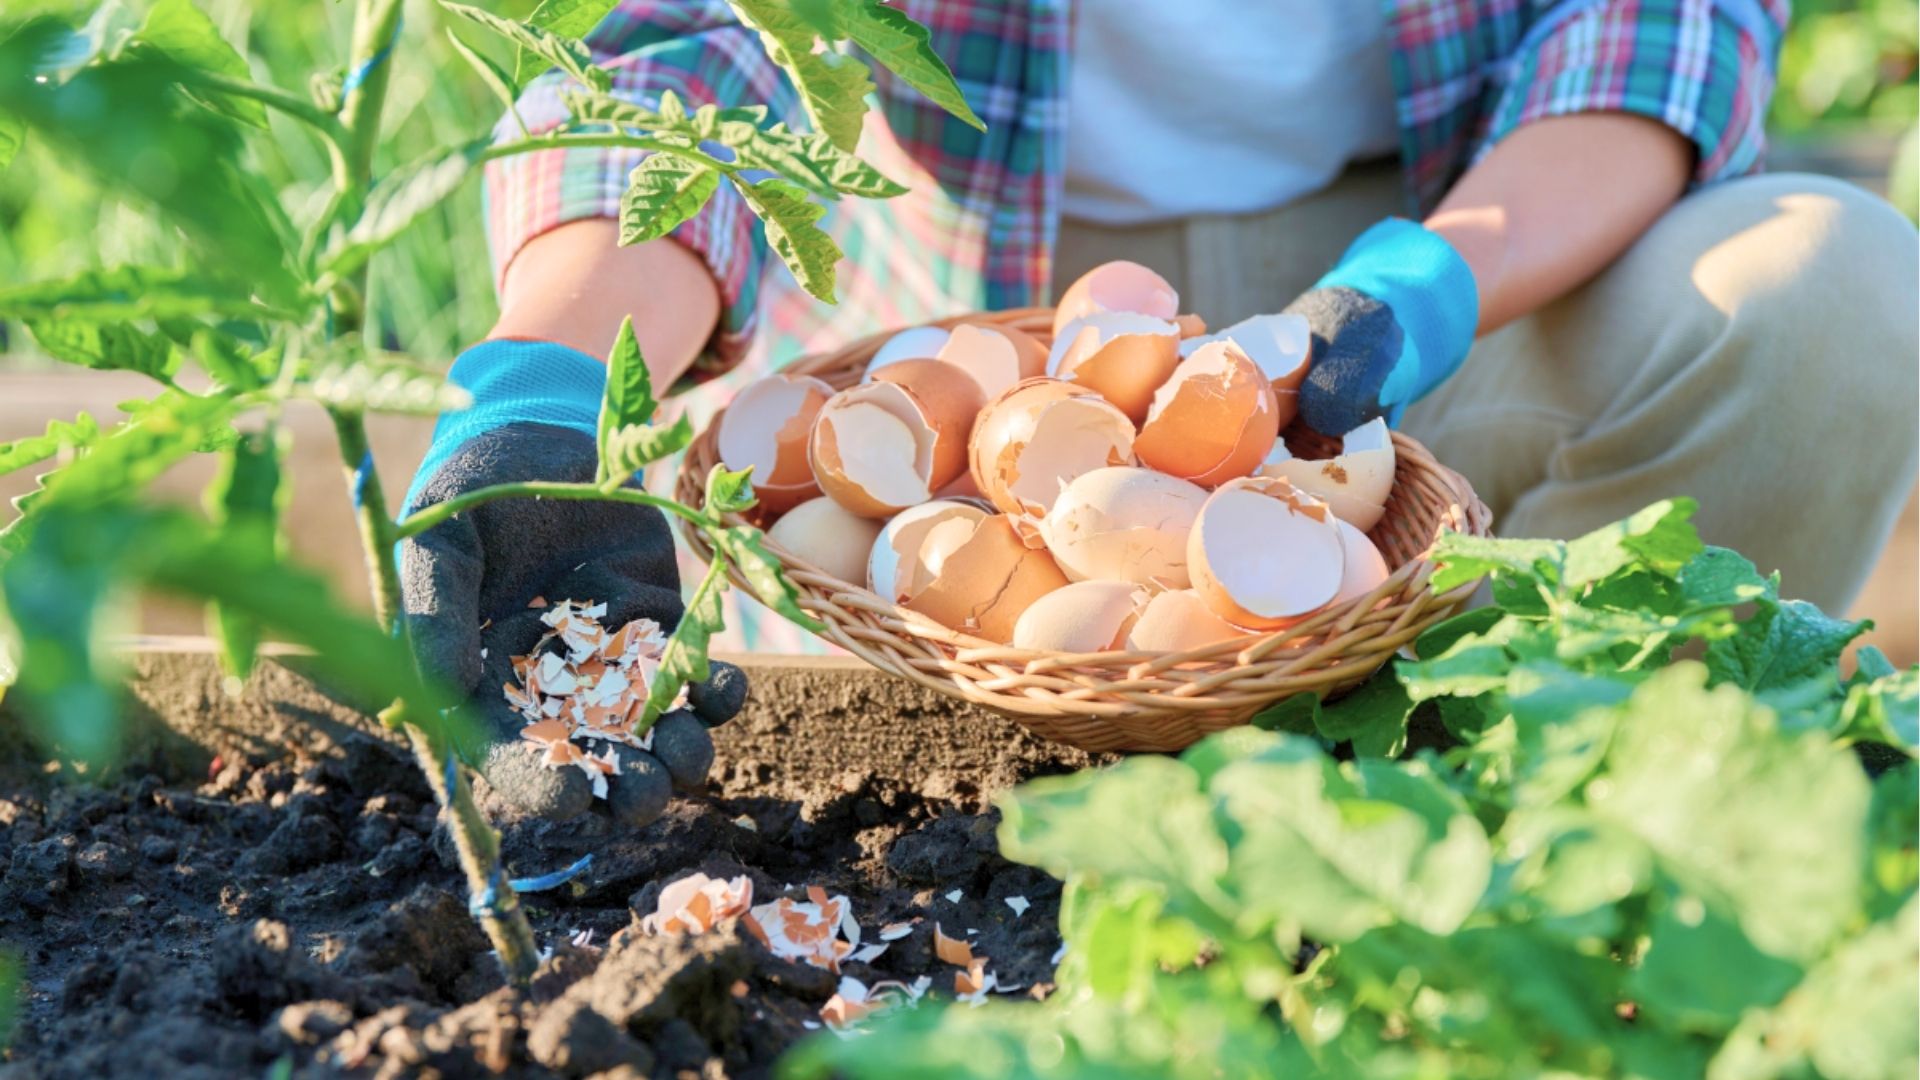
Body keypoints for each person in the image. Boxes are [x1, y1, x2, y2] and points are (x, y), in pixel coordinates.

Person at [402, 0, 1920, 825]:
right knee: (966, 652)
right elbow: (706, 50)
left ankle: (1517, 831)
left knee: (1830, 294)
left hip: (1452, 244)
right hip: (973, 341)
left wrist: (1424, 284)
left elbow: (1656, 18)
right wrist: (549, 379)